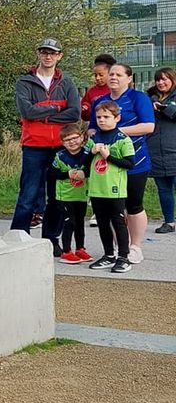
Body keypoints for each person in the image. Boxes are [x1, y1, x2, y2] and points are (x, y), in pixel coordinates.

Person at [8, 37, 80, 243]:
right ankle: (18, 237)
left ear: (60, 56)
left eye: (53, 53)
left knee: (57, 195)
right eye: (44, 52)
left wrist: (44, 114)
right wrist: (58, 107)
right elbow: (28, 111)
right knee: (28, 195)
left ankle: (50, 239)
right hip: (33, 147)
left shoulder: (67, 82)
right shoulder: (25, 82)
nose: (48, 56)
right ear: (38, 54)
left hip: (60, 146)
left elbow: (74, 113)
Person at [102, 62, 155, 263]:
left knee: (134, 205)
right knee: (114, 207)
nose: (113, 77)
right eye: (111, 74)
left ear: (129, 78)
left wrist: (117, 132)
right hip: (108, 164)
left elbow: (148, 126)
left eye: (118, 74)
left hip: (135, 161)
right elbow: (91, 129)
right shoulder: (101, 100)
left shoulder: (138, 98)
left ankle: (135, 246)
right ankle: (118, 247)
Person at [84, 98, 136, 274]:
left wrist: (108, 157)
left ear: (117, 118)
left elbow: (130, 163)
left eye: (106, 116)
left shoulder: (123, 139)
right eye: (99, 117)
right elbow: (84, 164)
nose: (102, 120)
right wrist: (91, 153)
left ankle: (123, 257)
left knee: (118, 223)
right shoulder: (93, 138)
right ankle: (108, 255)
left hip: (115, 189)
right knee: (102, 223)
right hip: (97, 189)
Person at [53, 124, 92, 262]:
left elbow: (91, 169)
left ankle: (80, 248)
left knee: (80, 223)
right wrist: (67, 173)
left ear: (81, 137)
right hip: (65, 196)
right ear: (63, 142)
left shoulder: (88, 153)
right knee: (69, 222)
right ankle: (66, 251)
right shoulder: (60, 156)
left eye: (75, 138)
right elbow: (52, 174)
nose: (72, 142)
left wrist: (84, 173)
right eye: (67, 140)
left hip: (81, 195)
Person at [145, 67, 176, 234]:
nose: (161, 82)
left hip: (173, 149)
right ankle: (169, 222)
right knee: (163, 189)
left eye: (165, 79)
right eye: (158, 79)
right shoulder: (148, 98)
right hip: (155, 149)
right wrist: (153, 103)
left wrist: (163, 108)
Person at [81, 54, 116, 121]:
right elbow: (85, 117)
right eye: (95, 75)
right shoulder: (91, 91)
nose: (97, 78)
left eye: (101, 75)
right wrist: (85, 110)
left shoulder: (117, 90)